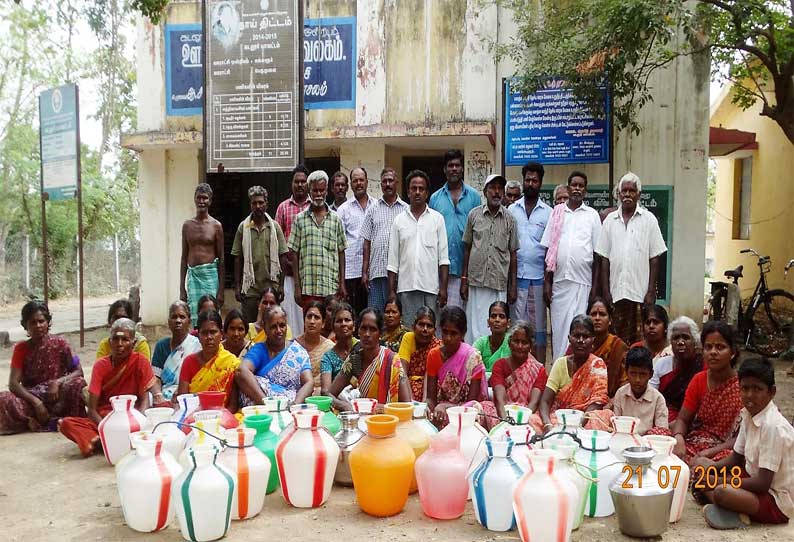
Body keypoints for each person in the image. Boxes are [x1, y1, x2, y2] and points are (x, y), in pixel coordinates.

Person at [693, 358, 793, 529]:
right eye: (745, 388)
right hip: (751, 480)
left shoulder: (772, 426)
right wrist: (708, 470)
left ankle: (731, 509)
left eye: (758, 389)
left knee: (721, 491)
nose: (750, 395)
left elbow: (762, 484)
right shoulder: (748, 414)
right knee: (702, 467)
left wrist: (715, 481)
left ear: (772, 392)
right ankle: (733, 511)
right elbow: (735, 459)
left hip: (775, 499)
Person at [651, 321, 743, 466]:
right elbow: (683, 420)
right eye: (708, 347)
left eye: (720, 347)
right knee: (654, 436)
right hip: (694, 441)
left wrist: (709, 452)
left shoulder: (742, 386)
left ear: (733, 352)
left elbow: (742, 438)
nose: (713, 352)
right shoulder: (699, 380)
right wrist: (679, 438)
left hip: (724, 449)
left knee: (731, 458)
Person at [59, 318, 155, 457]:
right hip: (105, 420)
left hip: (131, 421)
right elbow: (92, 410)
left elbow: (144, 402)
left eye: (125, 340)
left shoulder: (141, 362)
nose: (119, 344)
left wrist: (137, 427)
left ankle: (102, 442)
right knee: (65, 423)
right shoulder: (100, 366)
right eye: (115, 339)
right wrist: (108, 429)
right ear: (109, 342)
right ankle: (110, 441)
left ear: (133, 343)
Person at [597, 172, 667, 346]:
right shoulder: (609, 221)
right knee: (615, 343)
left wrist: (651, 290)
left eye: (631, 190)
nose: (627, 194)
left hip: (639, 293)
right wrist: (605, 291)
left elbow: (655, 257)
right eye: (624, 191)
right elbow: (603, 258)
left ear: (639, 194)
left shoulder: (649, 220)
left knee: (639, 343)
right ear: (619, 194)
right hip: (616, 293)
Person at [541, 171, 602, 360]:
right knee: (559, 332)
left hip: (582, 284)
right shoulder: (557, 214)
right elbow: (548, 250)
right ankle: (560, 370)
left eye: (581, 186)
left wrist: (595, 289)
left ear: (585, 190)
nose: (577, 189)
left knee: (580, 330)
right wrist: (547, 283)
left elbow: (598, 254)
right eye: (573, 185)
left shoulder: (592, 216)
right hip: (559, 284)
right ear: (568, 188)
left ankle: (576, 372)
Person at [0, 301, 85, 435]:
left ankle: (63, 421)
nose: (38, 326)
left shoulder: (62, 343)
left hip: (57, 397)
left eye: (41, 321)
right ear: (25, 325)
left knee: (78, 384)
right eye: (33, 322)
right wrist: (36, 403)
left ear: (48, 322)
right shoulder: (21, 349)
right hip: (32, 397)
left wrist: (57, 382)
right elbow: (13, 383)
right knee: (4, 398)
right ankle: (41, 420)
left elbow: (78, 371)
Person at [461, 174, 519, 344]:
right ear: (485, 192)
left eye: (500, 188)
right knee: (475, 327)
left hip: (499, 282)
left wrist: (513, 286)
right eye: (492, 188)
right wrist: (464, 279)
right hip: (476, 280)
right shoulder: (474, 215)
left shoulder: (510, 219)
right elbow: (467, 247)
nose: (496, 192)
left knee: (497, 325)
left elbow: (513, 253)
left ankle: (494, 366)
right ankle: (475, 363)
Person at [531, 315, 614, 433]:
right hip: (559, 418)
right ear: (569, 338)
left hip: (585, 421)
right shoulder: (560, 364)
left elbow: (597, 403)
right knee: (532, 420)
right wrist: (547, 425)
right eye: (576, 336)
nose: (581, 340)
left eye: (585, 336)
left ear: (593, 340)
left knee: (601, 418)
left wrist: (576, 425)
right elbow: (545, 401)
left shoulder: (597, 365)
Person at [387, 170, 449, 324]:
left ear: (427, 193)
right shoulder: (399, 221)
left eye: (421, 189)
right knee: (409, 332)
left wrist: (443, 289)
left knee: (430, 332)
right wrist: (391, 292)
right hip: (406, 289)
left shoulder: (437, 219)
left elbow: (443, 259)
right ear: (408, 192)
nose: (417, 192)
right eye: (414, 188)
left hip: (431, 289)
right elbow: (393, 260)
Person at [326, 308, 412, 411]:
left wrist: (370, 408)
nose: (367, 334)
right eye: (363, 328)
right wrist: (343, 405)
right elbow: (328, 395)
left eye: (373, 329)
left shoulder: (392, 361)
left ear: (380, 334)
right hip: (360, 421)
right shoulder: (354, 360)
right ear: (358, 331)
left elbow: (406, 405)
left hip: (389, 421)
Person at [508, 162, 552, 363]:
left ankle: (538, 373)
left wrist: (547, 282)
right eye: (528, 180)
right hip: (517, 279)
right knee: (517, 330)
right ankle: (518, 372)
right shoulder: (511, 210)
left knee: (539, 331)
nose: (531, 183)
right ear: (523, 181)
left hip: (538, 281)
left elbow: (551, 250)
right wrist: (511, 283)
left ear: (540, 183)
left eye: (535, 180)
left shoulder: (548, 213)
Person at [425, 306, 496, 428]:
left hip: (467, 412)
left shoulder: (473, 358)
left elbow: (472, 402)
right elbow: (431, 398)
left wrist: (448, 408)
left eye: (454, 334)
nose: (448, 338)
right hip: (441, 411)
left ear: (463, 334)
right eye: (445, 332)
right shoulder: (433, 355)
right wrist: (427, 409)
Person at [429, 149, 481, 308]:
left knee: (462, 322)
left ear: (462, 168)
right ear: (445, 169)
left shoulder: (474, 197)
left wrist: (466, 277)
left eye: (457, 165)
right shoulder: (435, 198)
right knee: (439, 320)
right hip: (439, 272)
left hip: (465, 272)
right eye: (450, 165)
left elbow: (477, 235)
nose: (454, 169)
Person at [289, 169, 347, 309]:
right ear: (309, 191)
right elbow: (294, 254)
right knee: (311, 327)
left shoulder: (336, 219)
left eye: (322, 190)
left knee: (331, 327)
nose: (319, 194)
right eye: (315, 190)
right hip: (308, 287)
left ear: (327, 190)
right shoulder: (300, 219)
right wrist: (297, 286)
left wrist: (342, 283)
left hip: (330, 288)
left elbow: (341, 252)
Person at [232, 185, 289, 324]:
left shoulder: (274, 227)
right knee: (250, 325)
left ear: (266, 204)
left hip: (271, 287)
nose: (258, 206)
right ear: (250, 205)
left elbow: (283, 256)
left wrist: (281, 285)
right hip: (250, 288)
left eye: (261, 202)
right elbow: (237, 258)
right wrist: (238, 285)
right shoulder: (243, 227)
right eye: (254, 203)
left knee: (272, 323)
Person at [236, 306, 314, 405]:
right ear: (265, 328)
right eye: (273, 327)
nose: (279, 331)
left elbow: (309, 382)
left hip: (291, 405)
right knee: (255, 381)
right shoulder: (259, 350)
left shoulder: (297, 352)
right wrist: (267, 403)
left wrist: (294, 405)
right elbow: (241, 371)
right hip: (265, 407)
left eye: (282, 325)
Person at [360, 167, 408, 313]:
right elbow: (366, 243)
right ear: (380, 184)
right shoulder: (373, 209)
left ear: (396, 183)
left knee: (396, 316)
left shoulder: (406, 209)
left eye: (390, 181)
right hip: (377, 273)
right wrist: (365, 271)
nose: (388, 184)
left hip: (400, 275)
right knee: (375, 315)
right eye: (384, 181)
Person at [180, 183, 224, 325]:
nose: (201, 201)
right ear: (194, 199)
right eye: (199, 198)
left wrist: (221, 290)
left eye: (205, 198)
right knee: (194, 316)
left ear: (210, 201)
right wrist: (182, 288)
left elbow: (221, 259)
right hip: (193, 278)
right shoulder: (187, 226)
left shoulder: (216, 226)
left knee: (211, 316)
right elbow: (183, 257)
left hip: (210, 276)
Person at [177, 310, 240, 407]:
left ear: (221, 334)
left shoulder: (231, 362)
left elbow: (232, 406)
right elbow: (183, 401)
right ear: (198, 335)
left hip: (223, 415)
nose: (209, 337)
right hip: (194, 416)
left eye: (213, 332)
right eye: (204, 333)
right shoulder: (189, 362)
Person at [275, 165, 311, 336]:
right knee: (291, 314)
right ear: (292, 184)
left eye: (303, 181)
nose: (300, 185)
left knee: (309, 315)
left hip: (310, 273)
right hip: (289, 272)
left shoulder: (315, 207)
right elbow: (277, 242)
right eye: (297, 181)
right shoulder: (283, 208)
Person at [649, 316, 704, 422]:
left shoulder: (702, 366)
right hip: (663, 419)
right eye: (676, 338)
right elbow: (651, 396)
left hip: (692, 422)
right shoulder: (662, 364)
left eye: (686, 337)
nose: (680, 342)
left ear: (695, 341)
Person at [490, 320, 548, 418]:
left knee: (536, 420)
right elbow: (500, 400)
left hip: (527, 415)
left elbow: (533, 403)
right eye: (516, 341)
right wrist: (506, 421)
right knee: (485, 408)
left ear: (530, 346)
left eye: (524, 342)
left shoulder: (538, 370)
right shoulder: (500, 365)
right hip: (503, 413)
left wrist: (520, 421)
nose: (520, 346)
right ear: (509, 343)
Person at [336, 167, 371, 315]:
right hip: (350, 272)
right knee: (351, 315)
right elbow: (338, 247)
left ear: (367, 182)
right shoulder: (343, 209)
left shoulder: (376, 206)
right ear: (351, 184)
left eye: (361, 180)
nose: (358, 183)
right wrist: (341, 281)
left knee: (370, 314)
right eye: (355, 180)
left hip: (371, 272)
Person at [150, 300, 201, 402]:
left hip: (187, 394)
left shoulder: (197, 346)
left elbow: (197, 379)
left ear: (189, 321)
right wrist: (158, 395)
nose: (178, 321)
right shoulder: (161, 346)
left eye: (182, 317)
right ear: (169, 322)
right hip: (164, 394)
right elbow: (156, 377)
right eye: (174, 317)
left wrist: (180, 393)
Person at [612, 346, 669, 435]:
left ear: (651, 374)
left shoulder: (658, 399)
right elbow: (616, 424)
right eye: (633, 373)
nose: (637, 380)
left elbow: (662, 431)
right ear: (627, 372)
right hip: (624, 438)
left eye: (642, 374)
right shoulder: (620, 394)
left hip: (648, 443)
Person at [586, 297, 629, 398]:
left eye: (602, 314)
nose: (597, 318)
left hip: (611, 401)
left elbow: (626, 383)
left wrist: (612, 403)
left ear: (610, 320)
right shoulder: (579, 344)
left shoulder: (618, 347)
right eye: (593, 314)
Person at [397, 306, 441, 401]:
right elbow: (402, 371)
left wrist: (425, 403)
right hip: (406, 385)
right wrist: (410, 402)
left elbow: (428, 376)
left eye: (429, 326)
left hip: (429, 387)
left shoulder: (436, 345)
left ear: (435, 330)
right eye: (421, 324)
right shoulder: (408, 338)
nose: (425, 329)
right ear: (413, 326)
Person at [294, 300, 335, 389]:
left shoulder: (330, 348)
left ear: (323, 323)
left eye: (316, 317)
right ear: (304, 320)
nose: (312, 321)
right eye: (309, 317)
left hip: (321, 395)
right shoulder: (294, 345)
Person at [320, 302, 357, 392]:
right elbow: (326, 391)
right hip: (338, 401)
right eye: (339, 321)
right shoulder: (328, 358)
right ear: (333, 327)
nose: (343, 324)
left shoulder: (361, 348)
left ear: (354, 326)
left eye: (347, 320)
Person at [472, 301, 512, 372]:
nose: (497, 320)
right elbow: (471, 364)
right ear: (488, 322)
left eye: (501, 316)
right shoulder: (481, 343)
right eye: (493, 316)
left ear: (508, 323)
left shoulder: (512, 342)